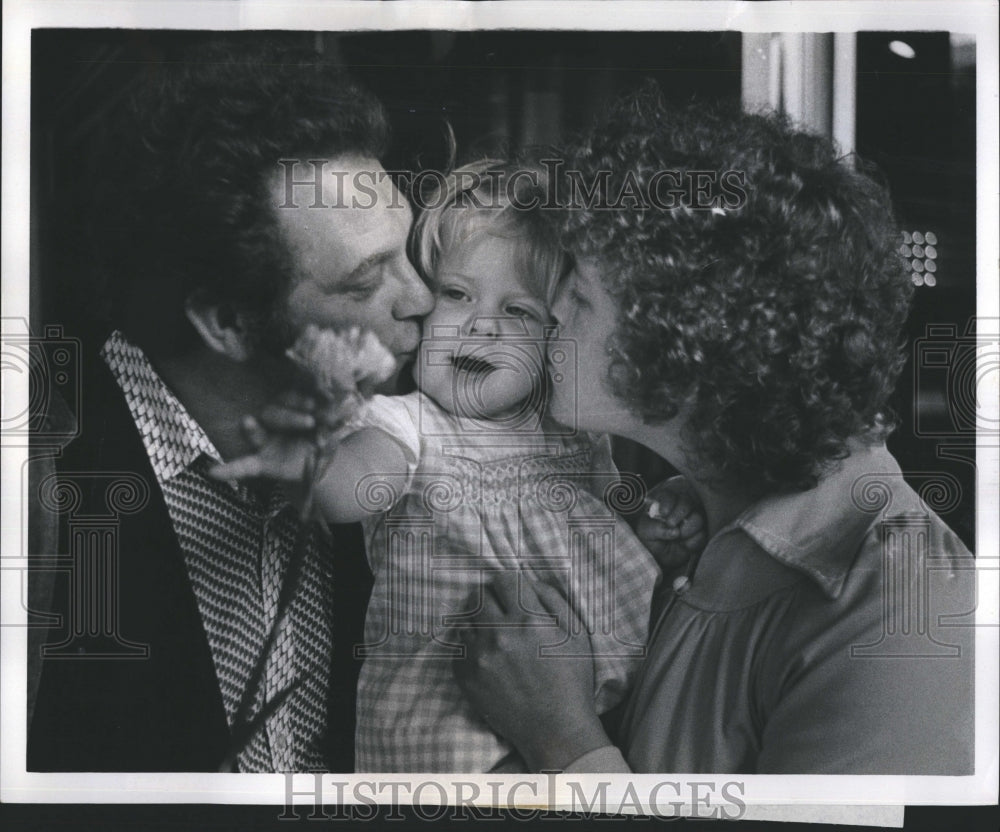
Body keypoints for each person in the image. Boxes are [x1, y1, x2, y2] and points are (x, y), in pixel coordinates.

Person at [451, 91, 976, 774]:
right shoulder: (677, 524)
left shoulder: (900, 603)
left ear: (694, 346)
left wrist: (560, 738)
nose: (549, 310)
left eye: (579, 294)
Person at [211, 158, 706, 772]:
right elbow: (353, 490)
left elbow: (613, 542)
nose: (479, 327)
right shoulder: (412, 425)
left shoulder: (579, 439)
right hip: (447, 736)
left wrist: (657, 533)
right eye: (456, 294)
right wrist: (309, 463)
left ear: (558, 339)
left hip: (589, 714)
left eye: (519, 313)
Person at [27, 39, 433, 772]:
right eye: (364, 282)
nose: (423, 300)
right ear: (230, 322)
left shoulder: (386, 443)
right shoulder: (44, 490)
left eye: (409, 252)